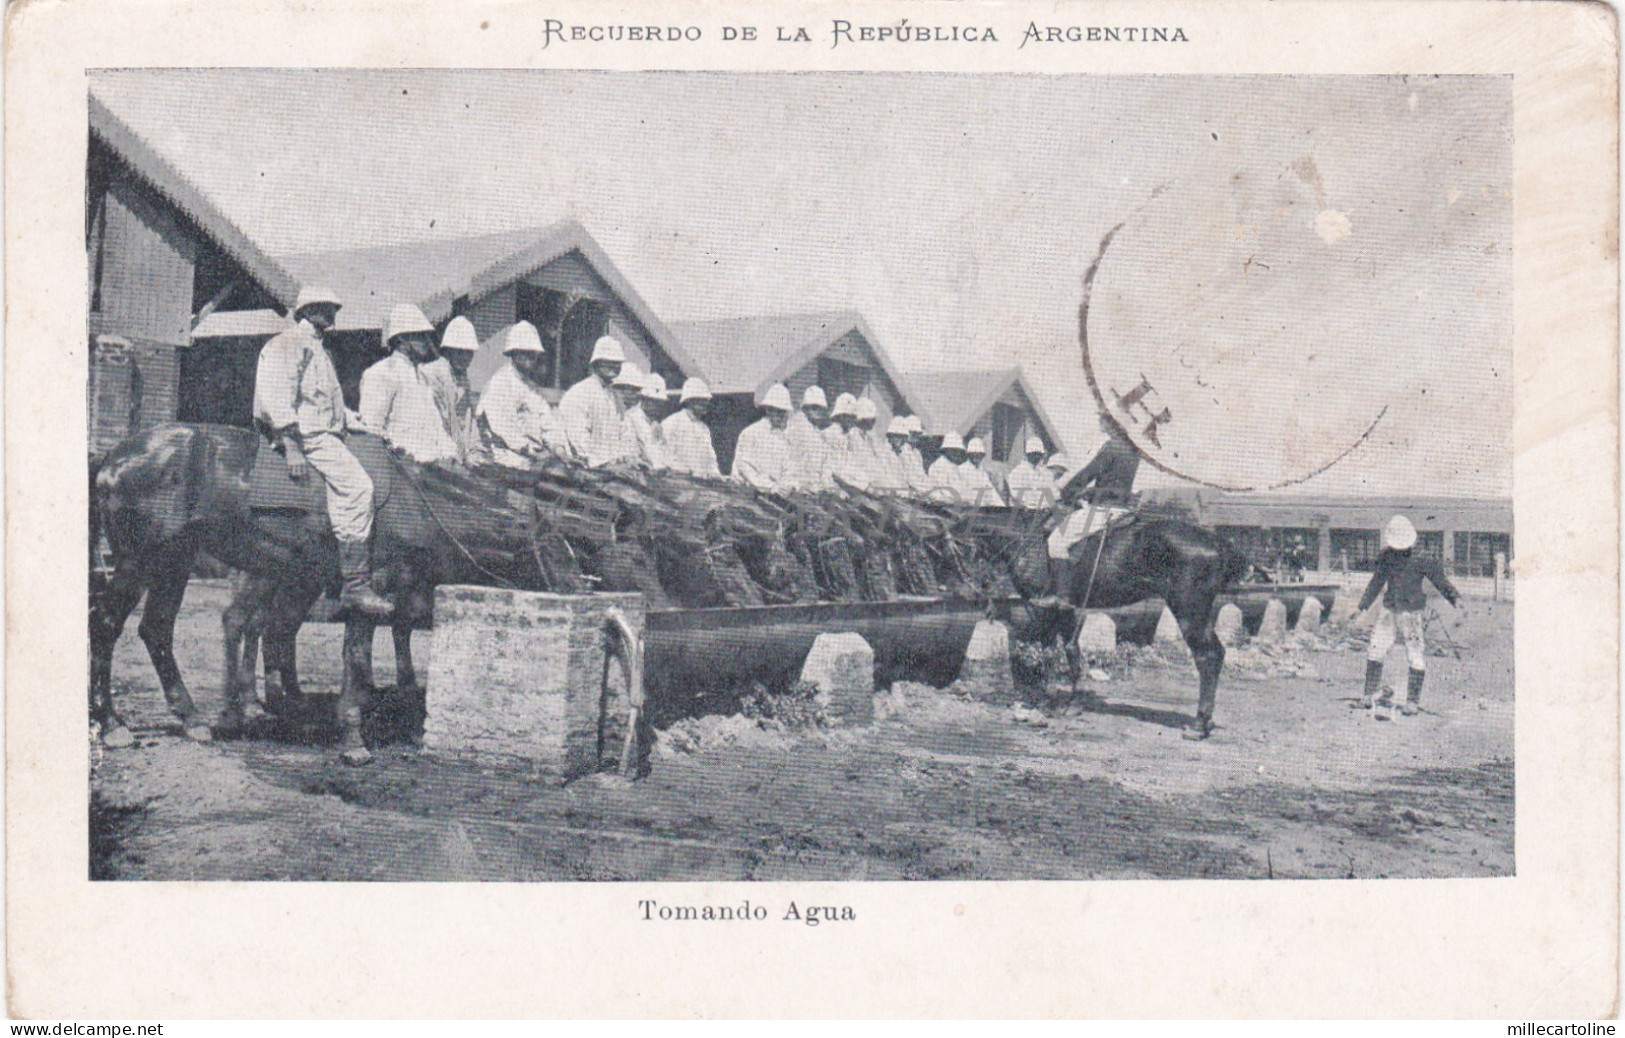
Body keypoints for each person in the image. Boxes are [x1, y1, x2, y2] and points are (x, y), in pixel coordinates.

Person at [253, 285, 392, 616]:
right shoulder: (288, 343)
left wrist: (367, 427)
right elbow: (275, 394)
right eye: (322, 307)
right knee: (359, 488)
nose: (330, 313)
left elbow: (329, 406)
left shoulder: (318, 349)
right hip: (308, 436)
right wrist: (291, 445)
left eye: (333, 308)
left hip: (324, 432)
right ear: (304, 311)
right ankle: (356, 584)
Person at [1354, 515, 1461, 717]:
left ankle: (1412, 702)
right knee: (1376, 648)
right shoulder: (1386, 556)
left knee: (1415, 653)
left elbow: (1440, 581)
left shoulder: (1423, 558)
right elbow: (1376, 582)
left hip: (1411, 613)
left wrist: (1456, 599)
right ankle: (1368, 695)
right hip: (1389, 610)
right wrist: (1363, 606)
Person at [1036, 414, 1141, 608]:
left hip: (1103, 510)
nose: (1100, 422)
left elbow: (1088, 473)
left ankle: (1062, 596)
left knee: (1056, 540)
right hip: (1123, 510)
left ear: (1111, 423)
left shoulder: (1111, 447)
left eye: (1103, 419)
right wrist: (1090, 492)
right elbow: (1116, 484)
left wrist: (1069, 491)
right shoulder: (1134, 450)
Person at [358, 303, 465, 465]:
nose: (427, 341)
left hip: (431, 467)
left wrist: (452, 455)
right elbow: (372, 431)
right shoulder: (381, 373)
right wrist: (399, 460)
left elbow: (437, 426)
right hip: (402, 469)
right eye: (419, 335)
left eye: (427, 336)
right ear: (402, 338)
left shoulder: (422, 377)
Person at [476, 321, 570, 468]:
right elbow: (503, 427)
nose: (530, 356)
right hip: (505, 458)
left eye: (533, 353)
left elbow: (547, 423)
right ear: (513, 352)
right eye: (525, 351)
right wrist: (531, 451)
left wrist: (559, 450)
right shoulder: (500, 383)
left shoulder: (531, 387)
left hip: (533, 457)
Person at [559, 336, 631, 467]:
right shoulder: (579, 392)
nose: (614, 366)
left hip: (613, 467)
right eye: (608, 361)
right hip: (585, 468)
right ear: (596, 363)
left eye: (617, 362)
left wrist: (626, 458)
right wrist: (602, 464)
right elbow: (578, 437)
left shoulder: (615, 397)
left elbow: (624, 433)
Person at [733, 383, 795, 492]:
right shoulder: (751, 433)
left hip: (773, 493)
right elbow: (745, 467)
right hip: (748, 493)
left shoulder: (783, 439)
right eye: (778, 411)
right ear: (768, 410)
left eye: (783, 412)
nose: (781, 416)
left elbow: (788, 469)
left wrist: (789, 485)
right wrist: (769, 486)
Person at [662, 377, 722, 478]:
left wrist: (715, 473)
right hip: (677, 480)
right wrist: (687, 471)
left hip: (700, 482)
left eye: (706, 401)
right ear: (689, 401)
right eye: (701, 400)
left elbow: (710, 458)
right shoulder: (672, 423)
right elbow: (666, 456)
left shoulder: (703, 428)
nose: (705, 404)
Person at [786, 386, 833, 491]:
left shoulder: (818, 433)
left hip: (815, 488)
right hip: (796, 488)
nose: (818, 411)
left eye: (820, 408)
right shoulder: (796, 429)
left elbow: (825, 465)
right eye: (814, 407)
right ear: (805, 408)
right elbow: (790, 463)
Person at [623, 368, 669, 470]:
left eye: (660, 403)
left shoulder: (656, 424)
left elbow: (663, 451)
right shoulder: (630, 418)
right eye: (655, 402)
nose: (658, 406)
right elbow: (630, 451)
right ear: (644, 399)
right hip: (640, 470)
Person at [1006, 437, 1057, 509]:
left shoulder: (1041, 472)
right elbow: (1015, 497)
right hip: (1023, 511)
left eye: (1039, 454)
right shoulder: (1018, 472)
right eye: (1034, 454)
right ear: (1027, 454)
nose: (1037, 457)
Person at [869, 415, 910, 494]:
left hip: (899, 493)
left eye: (902, 437)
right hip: (885, 492)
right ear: (890, 436)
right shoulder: (883, 453)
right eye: (896, 436)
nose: (899, 440)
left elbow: (904, 480)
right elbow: (884, 478)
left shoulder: (901, 456)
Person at [961, 437, 1006, 507]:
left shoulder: (982, 473)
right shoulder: (962, 470)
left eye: (979, 454)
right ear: (969, 455)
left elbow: (991, 492)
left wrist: (1002, 507)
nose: (976, 457)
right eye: (974, 454)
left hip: (982, 509)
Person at [927, 431, 970, 501]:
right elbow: (946, 491)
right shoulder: (938, 466)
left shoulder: (954, 467)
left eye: (958, 451)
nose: (956, 453)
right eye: (953, 450)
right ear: (946, 450)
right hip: (940, 504)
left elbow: (962, 488)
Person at [899, 415, 932, 495]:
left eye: (918, 434)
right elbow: (909, 479)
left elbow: (922, 475)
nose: (916, 436)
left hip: (920, 490)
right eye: (913, 433)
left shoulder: (917, 453)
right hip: (907, 491)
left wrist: (929, 488)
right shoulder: (902, 451)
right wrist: (924, 491)